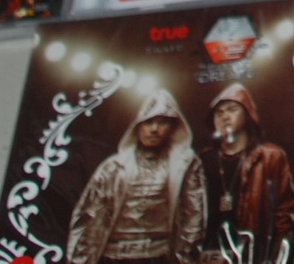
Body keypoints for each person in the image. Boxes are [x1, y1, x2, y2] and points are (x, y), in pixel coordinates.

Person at [67, 91, 207, 264]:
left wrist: (185, 258)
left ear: (173, 126)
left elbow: (194, 218)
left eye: (162, 122)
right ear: (137, 125)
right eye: (148, 122)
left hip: (159, 257)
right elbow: (88, 218)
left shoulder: (185, 165)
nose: (154, 129)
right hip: (113, 257)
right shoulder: (113, 168)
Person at [200, 84, 294, 261]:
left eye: (232, 110)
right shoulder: (204, 159)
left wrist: (275, 256)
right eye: (219, 113)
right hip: (210, 254)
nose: (225, 117)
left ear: (247, 114)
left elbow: (285, 212)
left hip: (252, 254)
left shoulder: (270, 157)